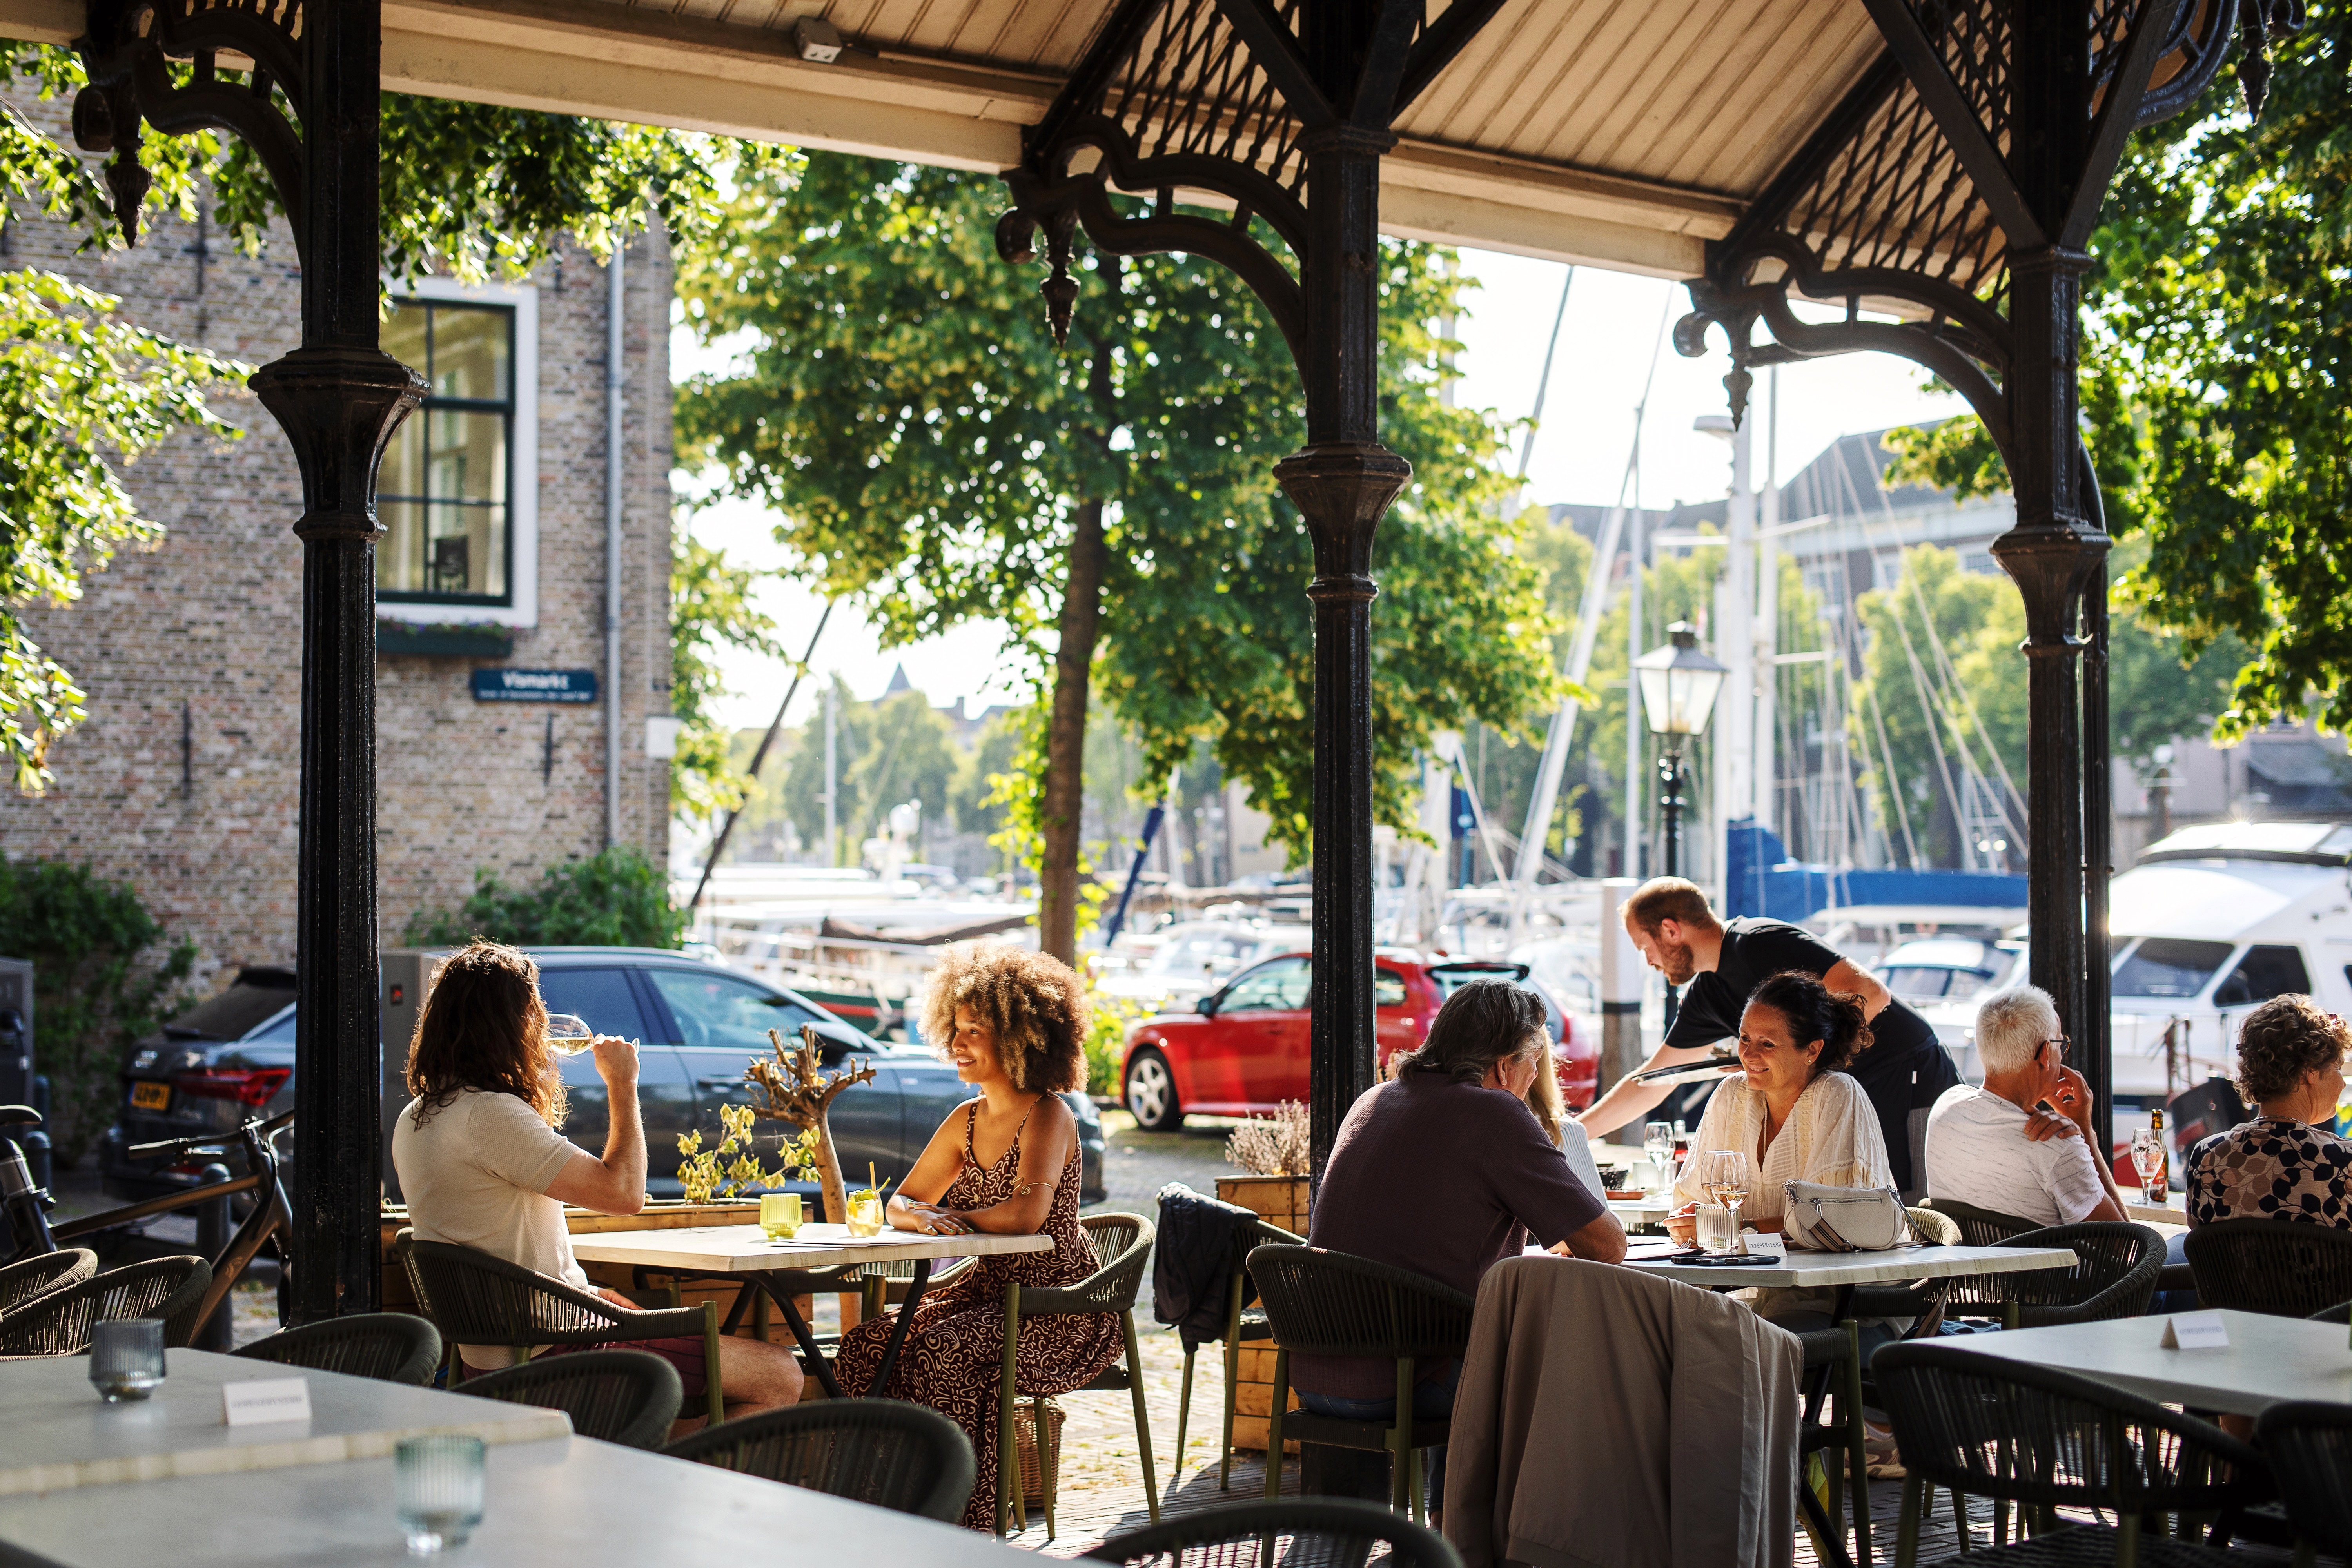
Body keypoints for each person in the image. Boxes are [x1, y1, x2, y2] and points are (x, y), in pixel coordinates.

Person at [390, 940, 803, 1433]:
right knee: (780, 1373)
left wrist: (591, 1293)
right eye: (534, 1012)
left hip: (493, 1354)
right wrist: (623, 1083)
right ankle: (684, 1489)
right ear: (508, 1026)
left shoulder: (417, 1117)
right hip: (553, 1354)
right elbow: (625, 1194)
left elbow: (499, 1248)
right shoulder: (489, 1114)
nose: (541, 1026)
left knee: (646, 1315)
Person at [1305, 979, 1625, 1516]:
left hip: (1317, 1371)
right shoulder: (1494, 1114)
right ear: (1505, 1066)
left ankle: (1455, 1524)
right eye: (1535, 1060)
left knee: (1473, 1335)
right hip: (1404, 1379)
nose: (1532, 1076)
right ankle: (1496, 1534)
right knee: (1566, 1370)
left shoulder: (1376, 1099)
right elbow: (1608, 1245)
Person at [837, 943, 1119, 1533]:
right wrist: (924, 1219)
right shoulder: (965, 1120)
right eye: (956, 1028)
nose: (957, 1043)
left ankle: (966, 1523)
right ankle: (889, 1507)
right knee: (869, 1345)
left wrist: (951, 1220)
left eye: (976, 1031)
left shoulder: (1048, 1114)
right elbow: (901, 1203)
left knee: (946, 1353)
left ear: (1022, 1037)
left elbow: (1026, 1217)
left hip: (1056, 1309)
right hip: (987, 1293)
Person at [1579, 877, 1958, 1197]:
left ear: (1670, 930)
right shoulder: (1706, 995)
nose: (1649, 962)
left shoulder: (1759, 942)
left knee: (1917, 1216)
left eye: (1645, 948)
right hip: (1854, 1090)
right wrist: (1574, 1134)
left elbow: (1871, 994)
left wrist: (1798, 1065)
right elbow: (1657, 1079)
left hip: (1911, 1072)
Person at [1664, 970, 1895, 1325]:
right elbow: (1691, 1201)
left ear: (1812, 1050)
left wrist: (1736, 1227)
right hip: (1745, 1293)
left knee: (1713, 1345)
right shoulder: (1732, 1095)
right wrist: (1689, 1222)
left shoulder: (1837, 1094)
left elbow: (1830, 1225)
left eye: (1767, 1044)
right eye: (1744, 1038)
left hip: (1836, 1304)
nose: (1749, 1054)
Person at [1924, 985, 2124, 1226]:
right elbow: (2129, 1248)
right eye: (2060, 1044)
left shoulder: (1944, 1109)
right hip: (2046, 1266)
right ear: (2044, 1056)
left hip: (1966, 1262)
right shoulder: (2057, 1149)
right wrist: (2085, 1131)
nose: (2062, 1055)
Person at [2184, 994, 2352, 1228]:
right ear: (2310, 1071)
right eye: (2337, 1067)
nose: (2343, 1083)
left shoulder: (2208, 1156)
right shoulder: (2345, 1162)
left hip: (2235, 1267)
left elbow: (2199, 1242)